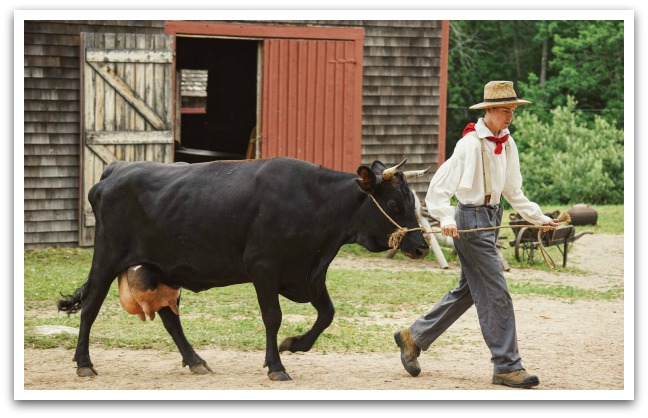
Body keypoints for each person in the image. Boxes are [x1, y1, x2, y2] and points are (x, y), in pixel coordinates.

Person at [394, 80, 558, 389]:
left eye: (513, 111)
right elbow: (438, 190)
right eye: (507, 111)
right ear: (491, 111)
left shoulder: (508, 144)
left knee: (470, 290)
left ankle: (413, 337)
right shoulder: (469, 144)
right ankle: (507, 366)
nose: (511, 117)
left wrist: (539, 218)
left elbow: (513, 191)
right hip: (469, 221)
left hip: (491, 219)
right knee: (496, 292)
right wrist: (445, 217)